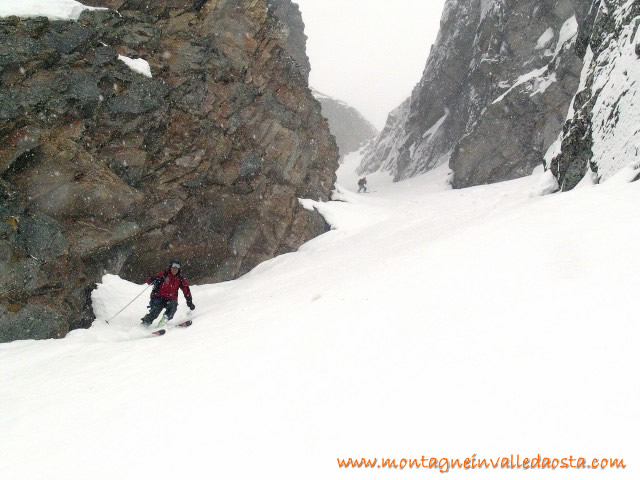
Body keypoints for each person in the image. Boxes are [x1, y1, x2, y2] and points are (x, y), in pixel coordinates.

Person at [141, 259, 195, 327]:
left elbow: (186, 290)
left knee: (172, 307)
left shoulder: (180, 279)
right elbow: (149, 280)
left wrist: (189, 302)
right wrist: (154, 279)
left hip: (171, 299)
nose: (175, 269)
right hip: (158, 297)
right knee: (155, 311)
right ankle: (144, 324)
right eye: (173, 267)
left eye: (177, 268)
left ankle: (162, 323)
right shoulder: (163, 275)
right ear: (170, 267)